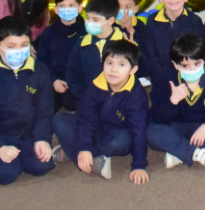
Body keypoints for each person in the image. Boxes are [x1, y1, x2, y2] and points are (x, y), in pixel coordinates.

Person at [0, 16, 55, 185]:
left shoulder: (40, 71)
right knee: (4, 174)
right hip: (1, 134)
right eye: (11, 47)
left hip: (28, 132)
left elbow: (45, 110)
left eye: (24, 46)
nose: (18, 51)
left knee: (42, 166)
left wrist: (42, 138)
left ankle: (22, 151)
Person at [53, 40, 149, 184]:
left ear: (133, 70)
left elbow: (138, 130)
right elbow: (86, 118)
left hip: (118, 133)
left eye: (121, 65)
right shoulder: (96, 84)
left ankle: (73, 151)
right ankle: (93, 159)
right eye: (109, 63)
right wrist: (84, 147)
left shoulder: (136, 94)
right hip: (96, 128)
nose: (113, 70)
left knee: (120, 142)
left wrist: (139, 165)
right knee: (59, 120)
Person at [147, 34, 205, 174]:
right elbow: (157, 117)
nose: (192, 70)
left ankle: (179, 151)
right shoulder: (165, 80)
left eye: (197, 64)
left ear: (204, 61)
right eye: (185, 66)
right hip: (177, 126)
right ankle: (196, 154)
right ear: (175, 65)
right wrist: (173, 101)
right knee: (152, 132)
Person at [141, 0, 205, 84]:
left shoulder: (194, 21)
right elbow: (151, 53)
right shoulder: (152, 21)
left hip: (187, 76)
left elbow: (199, 52)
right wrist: (159, 75)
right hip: (161, 77)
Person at [65, 0, 126, 102]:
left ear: (110, 21)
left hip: (120, 103)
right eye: (88, 18)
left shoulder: (124, 42)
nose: (89, 23)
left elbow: (139, 71)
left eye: (95, 20)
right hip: (89, 102)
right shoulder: (81, 44)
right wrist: (87, 96)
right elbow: (72, 75)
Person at [37, 0, 85, 112]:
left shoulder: (86, 32)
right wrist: (54, 80)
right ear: (56, 10)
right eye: (62, 6)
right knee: (46, 105)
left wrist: (76, 80)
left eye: (71, 5)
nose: (67, 9)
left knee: (72, 103)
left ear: (80, 8)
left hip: (78, 78)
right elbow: (41, 60)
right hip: (55, 77)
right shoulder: (49, 33)